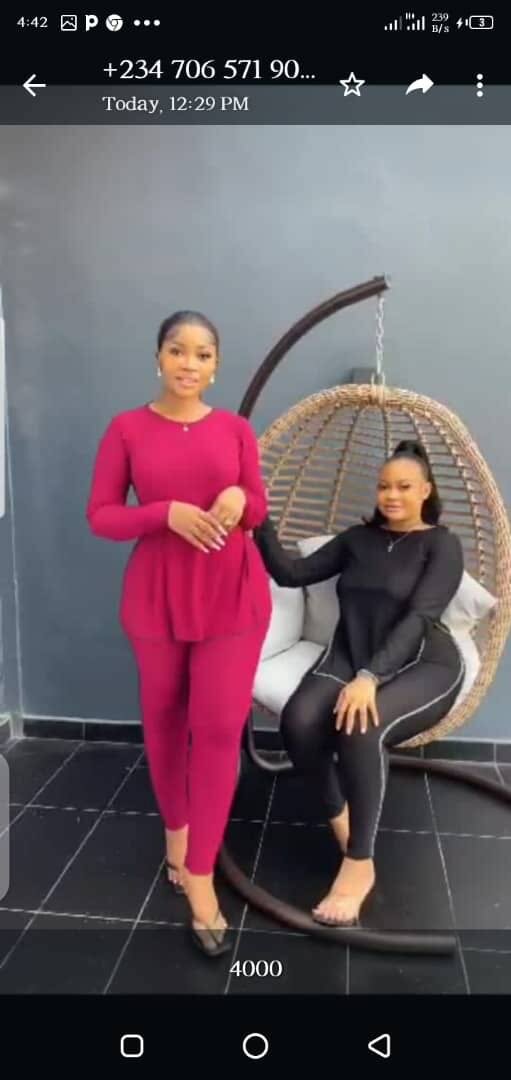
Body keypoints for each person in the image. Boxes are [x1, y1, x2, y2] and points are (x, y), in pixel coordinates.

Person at [86, 310, 271, 957]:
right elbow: (101, 516)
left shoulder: (236, 430)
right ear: (158, 358)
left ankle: (200, 876)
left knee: (217, 730)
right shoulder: (127, 428)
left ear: (215, 366)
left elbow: (257, 506)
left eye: (202, 354)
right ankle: (176, 833)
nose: (189, 363)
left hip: (233, 599)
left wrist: (237, 501)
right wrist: (163, 513)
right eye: (177, 350)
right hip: (157, 598)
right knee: (165, 722)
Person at [252, 439, 465, 928]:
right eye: (385, 486)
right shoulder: (357, 539)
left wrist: (370, 678)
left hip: (421, 662)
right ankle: (341, 817)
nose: (392, 495)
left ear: (425, 490)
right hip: (351, 651)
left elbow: (420, 616)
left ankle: (359, 861)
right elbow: (291, 573)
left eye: (404, 487)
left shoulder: (441, 545)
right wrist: (260, 519)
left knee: (359, 728)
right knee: (298, 722)